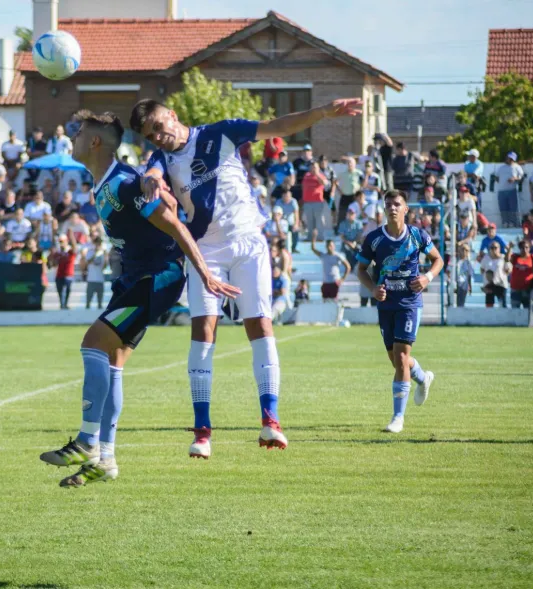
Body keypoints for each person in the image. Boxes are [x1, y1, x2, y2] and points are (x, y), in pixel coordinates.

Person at [132, 96, 361, 457]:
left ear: (173, 116)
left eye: (159, 127)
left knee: (260, 325)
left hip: (248, 243)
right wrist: (150, 183)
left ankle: (271, 421)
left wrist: (320, 113)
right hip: (204, 251)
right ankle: (202, 432)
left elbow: (279, 126)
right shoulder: (161, 157)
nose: (158, 137)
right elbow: (152, 173)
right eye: (150, 135)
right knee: (203, 329)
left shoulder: (221, 132)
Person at [38, 110, 238, 486]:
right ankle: (106, 460)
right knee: (113, 361)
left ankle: (86, 441)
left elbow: (174, 224)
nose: (73, 139)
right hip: (133, 279)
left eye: (79, 133)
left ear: (95, 142)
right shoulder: (103, 183)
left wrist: (206, 273)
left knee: (93, 344)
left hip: (156, 278)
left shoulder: (127, 184)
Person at [355, 189, 443, 433]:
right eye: (388, 204)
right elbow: (361, 270)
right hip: (386, 304)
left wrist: (427, 277)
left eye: (397, 204)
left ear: (406, 209)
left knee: (402, 359)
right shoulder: (374, 239)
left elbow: (438, 260)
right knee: (396, 361)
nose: (392, 208)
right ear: (384, 209)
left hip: (409, 303)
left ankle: (398, 418)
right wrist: (373, 289)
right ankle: (423, 378)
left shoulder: (417, 235)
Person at [495, 152, 524, 227]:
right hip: (501, 190)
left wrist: (514, 179)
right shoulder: (501, 167)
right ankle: (505, 223)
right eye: (509, 158)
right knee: (503, 208)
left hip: (512, 190)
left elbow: (521, 177)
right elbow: (497, 177)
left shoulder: (517, 167)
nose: (509, 160)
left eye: (511, 159)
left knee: (513, 208)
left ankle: (513, 223)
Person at [479, 242, 510, 307]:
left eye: (495, 248)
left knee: (502, 305)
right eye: (491, 248)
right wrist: (487, 277)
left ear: (499, 249)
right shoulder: (486, 258)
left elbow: (508, 270)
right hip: (489, 285)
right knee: (489, 305)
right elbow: (482, 269)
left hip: (500, 284)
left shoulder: (503, 257)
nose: (493, 249)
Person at [83, 236, 107, 309]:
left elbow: (104, 266)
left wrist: (106, 257)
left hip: (100, 279)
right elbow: (88, 262)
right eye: (97, 243)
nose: (98, 245)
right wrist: (95, 253)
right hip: (91, 279)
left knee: (100, 303)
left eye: (99, 243)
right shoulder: (90, 251)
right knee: (88, 302)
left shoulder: (103, 253)